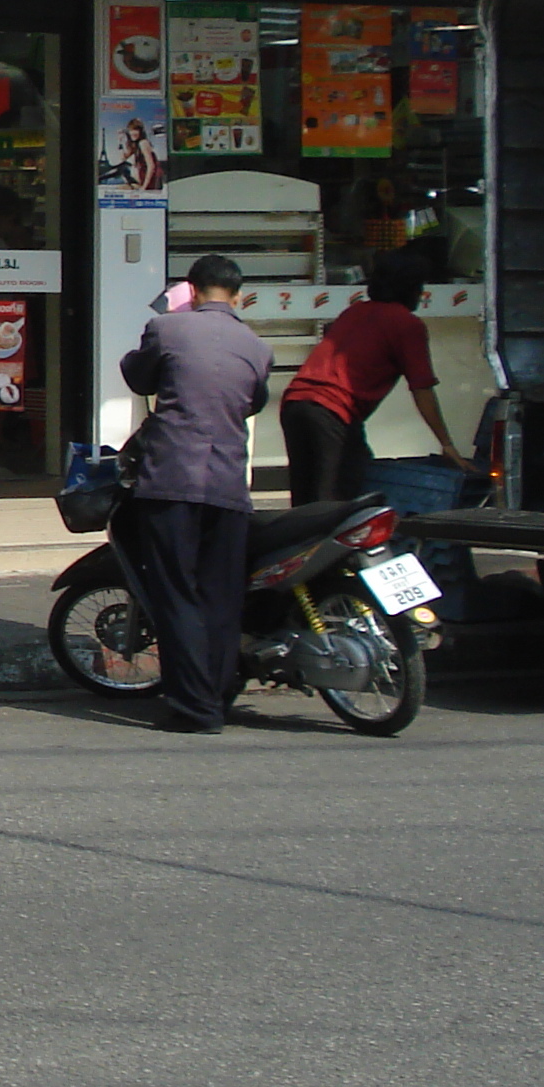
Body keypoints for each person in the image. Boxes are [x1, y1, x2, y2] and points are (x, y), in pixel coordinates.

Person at [116, 251, 272, 734]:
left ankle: (193, 706)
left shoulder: (168, 329)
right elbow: (253, 402)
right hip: (228, 483)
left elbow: (138, 375)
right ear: (239, 295)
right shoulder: (256, 347)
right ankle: (219, 694)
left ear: (192, 287)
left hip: (172, 481)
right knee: (221, 598)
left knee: (176, 593)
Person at [280, 256, 477, 505]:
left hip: (296, 403)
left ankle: (302, 542)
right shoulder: (407, 324)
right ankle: (328, 543)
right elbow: (422, 387)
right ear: (412, 289)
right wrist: (446, 444)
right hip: (333, 410)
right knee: (336, 499)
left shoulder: (354, 312)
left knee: (306, 499)